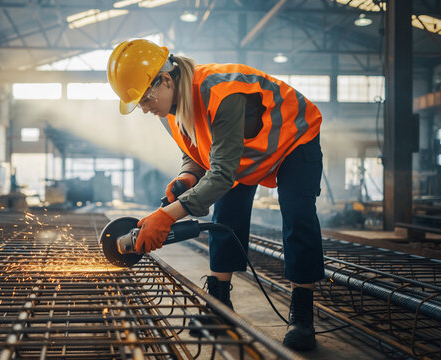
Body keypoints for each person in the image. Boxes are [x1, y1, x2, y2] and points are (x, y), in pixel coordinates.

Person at [107, 39, 324, 351]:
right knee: (227, 214)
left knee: (297, 215)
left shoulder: (222, 93)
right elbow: (197, 151)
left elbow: (222, 173)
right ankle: (219, 306)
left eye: (143, 99)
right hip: (244, 155)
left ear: (166, 80)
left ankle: (302, 316)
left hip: (294, 138)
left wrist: (166, 217)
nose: (143, 108)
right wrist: (187, 175)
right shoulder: (167, 110)